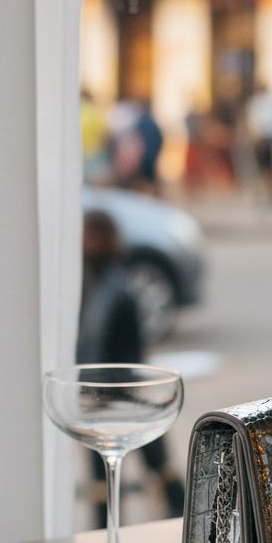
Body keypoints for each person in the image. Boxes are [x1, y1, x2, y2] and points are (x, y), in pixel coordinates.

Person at [78, 210, 184, 523]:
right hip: (110, 392)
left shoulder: (111, 287)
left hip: (112, 393)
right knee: (145, 459)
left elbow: (115, 346)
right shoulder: (105, 282)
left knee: (137, 459)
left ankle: (112, 525)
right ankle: (110, 526)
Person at [245, 80, 272, 199]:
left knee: (269, 167)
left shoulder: (270, 102)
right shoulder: (256, 102)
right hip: (260, 138)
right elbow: (253, 120)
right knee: (261, 167)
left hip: (269, 137)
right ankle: (262, 191)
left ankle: (270, 192)